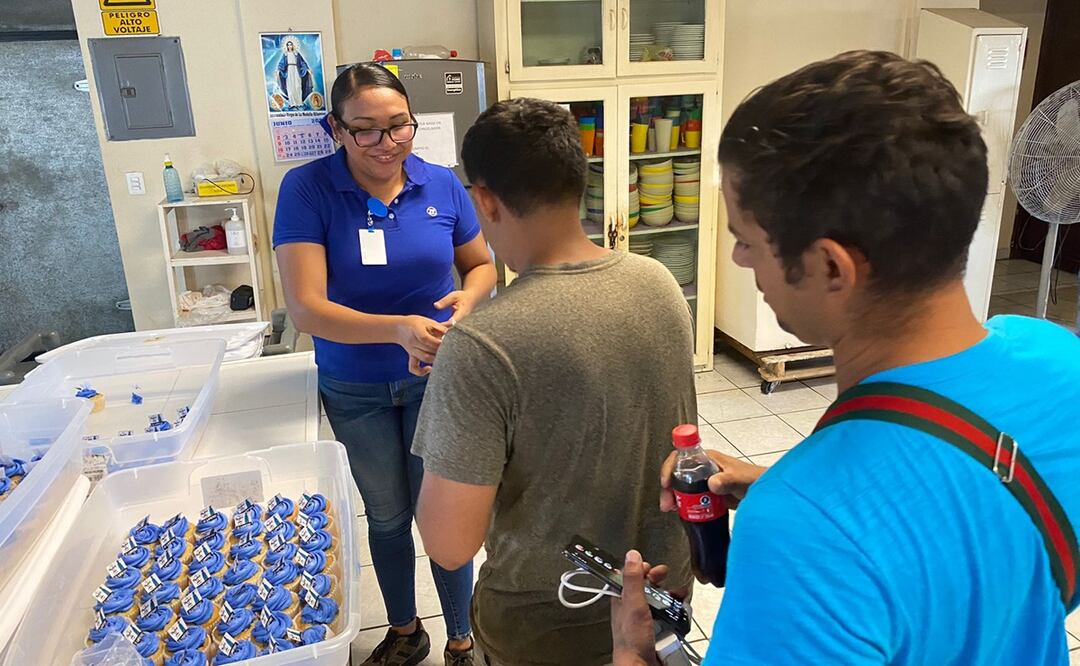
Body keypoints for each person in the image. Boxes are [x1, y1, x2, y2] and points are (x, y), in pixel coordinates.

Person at [611, 50, 1080, 665]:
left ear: (830, 267)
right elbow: (1021, 579)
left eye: (746, 240)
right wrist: (792, 486)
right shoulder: (1058, 360)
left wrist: (634, 653)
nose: (739, 262)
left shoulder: (802, 535)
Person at [410, 98, 695, 666]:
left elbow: (448, 543)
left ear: (484, 201)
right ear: (579, 179)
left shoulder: (481, 345)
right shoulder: (658, 282)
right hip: (659, 596)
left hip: (545, 625)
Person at [273, 63, 497, 666]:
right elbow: (306, 309)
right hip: (355, 385)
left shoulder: (441, 184)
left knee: (443, 515)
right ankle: (405, 632)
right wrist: (396, 330)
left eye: (399, 126)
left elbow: (480, 265)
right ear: (335, 130)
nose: (387, 143)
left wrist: (468, 301)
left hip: (437, 380)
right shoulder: (307, 189)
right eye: (366, 130)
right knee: (390, 516)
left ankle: (461, 637)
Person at [277, 39, 312, 110]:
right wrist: (278, 70)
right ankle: (292, 103)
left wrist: (307, 69)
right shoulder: (285, 55)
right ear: (286, 46)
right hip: (289, 71)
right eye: (288, 45)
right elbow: (281, 64)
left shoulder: (296, 54)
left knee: (297, 86)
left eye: (291, 44)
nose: (289, 46)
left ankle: (299, 102)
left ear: (293, 45)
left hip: (296, 71)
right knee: (290, 87)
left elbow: (302, 62)